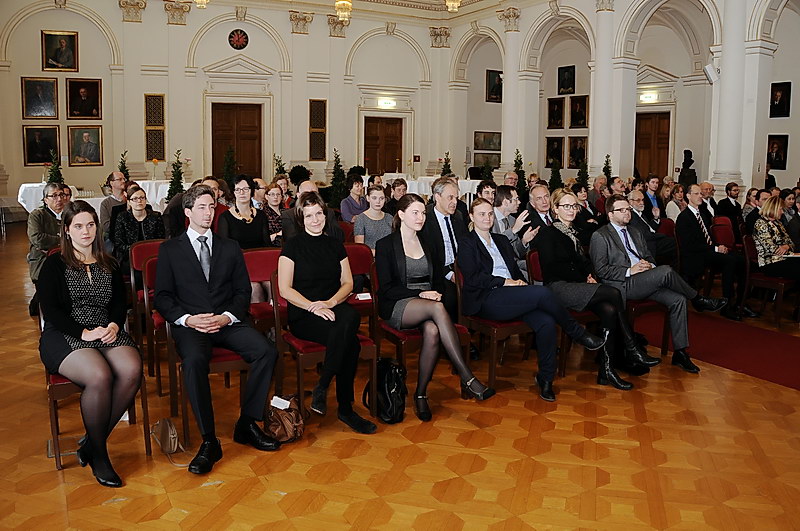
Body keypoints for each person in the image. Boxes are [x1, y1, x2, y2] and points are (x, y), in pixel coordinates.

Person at [154, 185, 280, 475]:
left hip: (226, 321)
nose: (208, 213)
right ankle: (209, 440)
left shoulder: (229, 246)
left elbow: (242, 291)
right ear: (188, 212)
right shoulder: (170, 249)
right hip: (192, 325)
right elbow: (163, 297)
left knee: (266, 351)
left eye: (211, 207)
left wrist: (226, 317)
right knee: (194, 362)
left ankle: (247, 423)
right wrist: (188, 320)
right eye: (201, 207)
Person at [459, 198, 607, 401]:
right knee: (543, 293)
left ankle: (545, 379)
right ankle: (577, 332)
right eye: (481, 214)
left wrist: (518, 282)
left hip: (511, 296)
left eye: (490, 213)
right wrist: (505, 282)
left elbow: (513, 270)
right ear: (471, 217)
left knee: (546, 322)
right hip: (486, 298)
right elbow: (473, 277)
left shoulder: (501, 240)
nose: (487, 218)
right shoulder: (467, 242)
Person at [38, 201, 141, 488]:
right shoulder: (55, 264)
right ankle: (100, 456)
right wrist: (83, 332)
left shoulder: (109, 263)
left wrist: (114, 325)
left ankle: (92, 443)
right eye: (79, 226)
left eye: (91, 225)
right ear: (67, 230)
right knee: (99, 375)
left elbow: (119, 303)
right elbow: (51, 310)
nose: (86, 231)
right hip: (65, 333)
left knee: (132, 369)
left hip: (104, 329)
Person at [375, 194, 495, 420]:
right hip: (398, 304)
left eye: (423, 213)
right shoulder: (385, 245)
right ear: (401, 215)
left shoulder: (428, 243)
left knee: (432, 331)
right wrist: (420, 294)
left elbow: (438, 279)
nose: (421, 217)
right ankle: (467, 377)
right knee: (437, 309)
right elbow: (388, 288)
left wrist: (435, 293)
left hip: (427, 302)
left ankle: (421, 394)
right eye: (415, 213)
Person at [589, 194, 728, 374]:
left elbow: (648, 256)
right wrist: (630, 270)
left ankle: (680, 353)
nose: (627, 213)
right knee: (667, 271)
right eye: (621, 210)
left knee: (678, 300)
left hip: (645, 279)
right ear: (610, 214)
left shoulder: (635, 232)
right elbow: (601, 270)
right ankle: (698, 299)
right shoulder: (600, 236)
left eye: (628, 209)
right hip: (623, 284)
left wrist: (649, 265)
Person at [537, 189, 661, 386]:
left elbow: (584, 262)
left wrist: (589, 275)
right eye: (566, 206)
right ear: (555, 209)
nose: (571, 210)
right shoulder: (548, 233)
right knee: (613, 292)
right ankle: (631, 346)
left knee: (609, 309)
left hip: (578, 286)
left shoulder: (574, 233)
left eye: (574, 206)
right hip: (558, 288)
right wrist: (583, 277)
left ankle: (607, 370)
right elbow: (552, 267)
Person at [278, 191, 377, 434]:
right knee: (351, 343)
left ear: (325, 215)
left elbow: (348, 283)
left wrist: (330, 303)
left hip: (333, 307)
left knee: (351, 317)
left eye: (319, 214)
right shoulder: (292, 246)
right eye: (309, 215)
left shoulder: (335, 245)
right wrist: (314, 306)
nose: (315, 220)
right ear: (301, 218)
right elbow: (285, 289)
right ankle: (345, 408)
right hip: (304, 313)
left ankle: (323, 385)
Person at [677, 184, 752, 321]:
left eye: (701, 194)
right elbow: (690, 245)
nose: (700, 196)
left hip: (707, 251)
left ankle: (740, 303)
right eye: (696, 194)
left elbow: (709, 238)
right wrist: (715, 249)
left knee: (741, 259)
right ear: (688, 196)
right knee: (729, 261)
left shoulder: (702, 214)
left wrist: (718, 246)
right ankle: (727, 306)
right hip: (695, 256)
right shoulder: (684, 217)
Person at [421, 177, 468, 286]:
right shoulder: (425, 218)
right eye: (450, 197)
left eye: (456, 198)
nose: (455, 202)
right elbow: (429, 255)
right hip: (438, 275)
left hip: (460, 270)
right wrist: (449, 274)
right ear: (437, 197)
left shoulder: (458, 216)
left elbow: (465, 244)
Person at [27, 183, 66, 316]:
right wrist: (63, 240)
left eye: (61, 195)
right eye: (54, 196)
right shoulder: (37, 215)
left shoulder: (70, 215)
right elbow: (37, 238)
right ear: (45, 200)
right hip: (42, 260)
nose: (59, 199)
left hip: (68, 259)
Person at [112, 185, 165, 274]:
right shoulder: (122, 217)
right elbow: (119, 244)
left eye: (142, 198)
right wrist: (138, 251)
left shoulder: (155, 216)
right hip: (129, 257)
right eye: (135, 199)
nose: (139, 201)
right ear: (129, 202)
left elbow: (160, 240)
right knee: (137, 270)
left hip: (152, 256)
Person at [492, 185, 537, 276]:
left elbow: (517, 253)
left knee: (540, 266)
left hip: (514, 262)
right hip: (497, 266)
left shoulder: (512, 220)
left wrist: (524, 241)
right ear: (505, 202)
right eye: (516, 199)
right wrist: (513, 230)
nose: (519, 202)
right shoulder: (489, 218)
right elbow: (494, 245)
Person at [216, 175, 271, 250]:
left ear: (251, 190)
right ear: (233, 192)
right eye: (237, 189)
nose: (242, 192)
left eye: (246, 189)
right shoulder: (225, 217)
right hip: (235, 257)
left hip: (259, 256)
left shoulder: (261, 215)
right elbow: (224, 248)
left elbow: (267, 245)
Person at [753, 196, 800, 280]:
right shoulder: (761, 223)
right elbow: (771, 249)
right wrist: (788, 250)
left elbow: (791, 243)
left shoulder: (778, 223)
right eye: (781, 209)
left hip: (784, 259)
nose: (782, 212)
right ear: (773, 208)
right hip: (770, 262)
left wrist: (787, 246)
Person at [628, 190, 677, 262]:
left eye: (642, 200)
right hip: (649, 245)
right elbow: (644, 235)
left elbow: (649, 228)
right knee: (675, 243)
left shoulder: (640, 214)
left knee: (676, 242)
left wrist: (656, 218)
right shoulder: (631, 216)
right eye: (638, 200)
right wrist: (660, 235)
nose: (642, 203)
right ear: (631, 202)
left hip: (654, 241)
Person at [354, 185, 392, 253]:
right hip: (370, 257)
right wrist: (382, 253)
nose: (378, 201)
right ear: (368, 198)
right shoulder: (361, 219)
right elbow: (360, 248)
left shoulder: (389, 218)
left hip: (389, 256)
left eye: (381, 198)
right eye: (374, 198)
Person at [99, 172, 127, 251]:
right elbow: (105, 226)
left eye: (124, 179)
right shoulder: (105, 203)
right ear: (112, 183)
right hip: (112, 237)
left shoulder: (130, 200)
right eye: (120, 179)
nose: (123, 181)